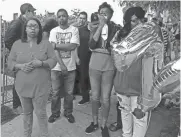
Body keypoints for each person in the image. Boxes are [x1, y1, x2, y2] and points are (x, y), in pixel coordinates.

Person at [112, 7, 163, 137]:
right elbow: (115, 56)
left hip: (141, 88)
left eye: (140, 20)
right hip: (122, 84)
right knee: (125, 115)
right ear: (128, 22)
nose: (138, 24)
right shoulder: (120, 35)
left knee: (140, 119)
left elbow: (158, 58)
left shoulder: (151, 36)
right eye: (133, 21)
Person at [7, 17, 57, 137]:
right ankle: (26, 134)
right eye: (30, 26)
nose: (33, 28)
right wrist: (20, 66)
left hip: (41, 88)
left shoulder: (46, 44)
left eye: (36, 26)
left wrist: (42, 63)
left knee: (41, 113)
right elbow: (10, 63)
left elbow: (54, 61)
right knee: (27, 114)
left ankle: (45, 135)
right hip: (22, 87)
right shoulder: (17, 44)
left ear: (39, 29)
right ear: (25, 29)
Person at [85, 2, 119, 137]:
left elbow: (113, 48)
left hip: (109, 66)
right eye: (101, 13)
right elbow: (91, 45)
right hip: (94, 65)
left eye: (106, 12)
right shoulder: (94, 27)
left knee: (105, 98)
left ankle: (104, 124)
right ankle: (94, 122)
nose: (103, 15)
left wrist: (102, 49)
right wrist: (99, 27)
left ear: (111, 15)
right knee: (94, 96)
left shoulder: (116, 29)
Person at [48, 9, 80, 124]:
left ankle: (68, 113)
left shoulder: (74, 30)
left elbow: (72, 46)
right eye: (59, 16)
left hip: (71, 67)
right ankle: (55, 113)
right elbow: (53, 50)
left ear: (68, 17)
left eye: (64, 16)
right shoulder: (53, 31)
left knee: (69, 93)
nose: (62, 18)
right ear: (57, 18)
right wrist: (62, 65)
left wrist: (56, 45)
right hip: (56, 68)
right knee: (55, 93)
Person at [4, 3, 36, 114]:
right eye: (32, 11)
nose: (34, 13)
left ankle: (23, 103)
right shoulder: (17, 23)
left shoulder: (25, 23)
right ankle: (16, 105)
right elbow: (8, 40)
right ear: (27, 11)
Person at [75, 12, 91, 105]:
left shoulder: (89, 29)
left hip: (89, 56)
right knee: (81, 77)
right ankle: (85, 97)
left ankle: (95, 99)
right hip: (79, 56)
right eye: (80, 18)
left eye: (84, 18)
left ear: (86, 20)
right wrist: (76, 57)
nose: (81, 20)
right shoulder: (76, 30)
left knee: (89, 78)